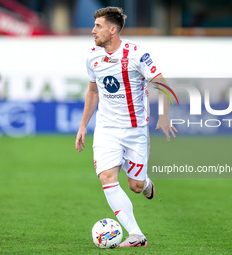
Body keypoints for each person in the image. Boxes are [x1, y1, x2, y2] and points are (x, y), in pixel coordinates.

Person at [75, 7, 177, 247]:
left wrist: (163, 115)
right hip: (106, 129)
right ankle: (136, 235)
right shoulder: (92, 57)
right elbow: (93, 91)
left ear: (113, 30)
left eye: (98, 26)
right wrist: (83, 126)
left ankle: (146, 184)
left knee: (135, 185)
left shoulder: (136, 54)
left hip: (135, 130)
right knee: (107, 177)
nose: (93, 31)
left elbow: (162, 84)